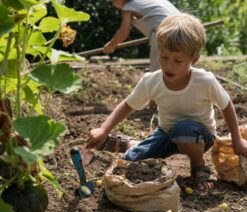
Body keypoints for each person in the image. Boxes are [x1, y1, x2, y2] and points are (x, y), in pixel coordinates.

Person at [87, 13, 247, 191]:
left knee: (184, 129)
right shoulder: (151, 81)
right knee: (130, 161)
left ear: (193, 60)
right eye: (164, 57)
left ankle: (198, 165)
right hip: (166, 133)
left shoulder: (205, 81)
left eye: (178, 60)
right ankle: (131, 144)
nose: (169, 65)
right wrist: (104, 129)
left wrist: (237, 140)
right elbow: (128, 105)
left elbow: (226, 105)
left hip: (200, 137)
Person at [104, 0, 180, 72]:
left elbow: (124, 32)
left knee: (157, 73)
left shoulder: (128, 7)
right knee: (185, 69)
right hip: (187, 29)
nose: (113, 4)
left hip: (164, 33)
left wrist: (111, 45)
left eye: (113, 1)